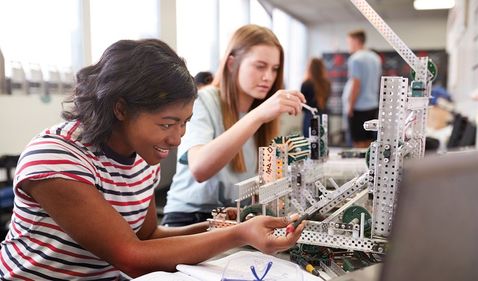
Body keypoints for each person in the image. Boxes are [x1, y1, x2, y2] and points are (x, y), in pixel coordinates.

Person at [0, 39, 305, 280]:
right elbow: (131, 257)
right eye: (167, 124)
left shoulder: (142, 157)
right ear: (121, 109)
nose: (176, 139)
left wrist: (219, 228)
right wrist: (237, 235)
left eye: (184, 123)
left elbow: (148, 236)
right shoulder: (57, 158)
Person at [163, 24, 306, 226]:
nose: (268, 77)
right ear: (232, 64)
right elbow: (200, 169)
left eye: (274, 69)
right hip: (189, 219)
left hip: (235, 217)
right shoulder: (203, 101)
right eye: (260, 66)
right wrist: (257, 116)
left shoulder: (263, 115)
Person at [342, 29, 382, 148]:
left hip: (358, 108)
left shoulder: (355, 59)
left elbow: (356, 85)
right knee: (369, 142)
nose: (348, 45)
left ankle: (360, 167)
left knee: (358, 144)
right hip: (373, 106)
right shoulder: (376, 58)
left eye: (349, 42)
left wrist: (350, 106)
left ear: (356, 41)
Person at [301, 57, 331, 137]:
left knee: (309, 144)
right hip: (323, 117)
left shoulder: (306, 84)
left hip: (310, 117)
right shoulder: (327, 84)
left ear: (309, 68)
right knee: (322, 143)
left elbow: (302, 105)